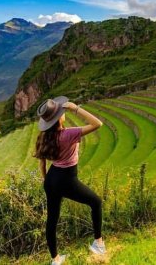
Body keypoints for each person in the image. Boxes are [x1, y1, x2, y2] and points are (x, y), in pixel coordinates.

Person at [34, 96, 106, 265]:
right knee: (95, 202)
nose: (64, 112)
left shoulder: (44, 137)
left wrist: (48, 182)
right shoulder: (69, 134)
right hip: (67, 178)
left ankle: (55, 260)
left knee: (52, 219)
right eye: (62, 112)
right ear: (59, 118)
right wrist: (75, 108)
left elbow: (42, 164)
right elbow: (98, 124)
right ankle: (98, 244)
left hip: (51, 179)